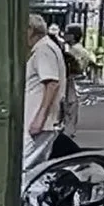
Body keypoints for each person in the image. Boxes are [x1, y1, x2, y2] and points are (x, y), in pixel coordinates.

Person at [24, 15, 68, 178]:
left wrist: (39, 118)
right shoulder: (46, 48)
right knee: (34, 170)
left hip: (37, 122)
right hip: (39, 122)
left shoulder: (43, 50)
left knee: (26, 169)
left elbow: (52, 83)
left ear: (30, 30)